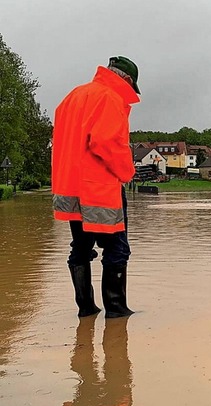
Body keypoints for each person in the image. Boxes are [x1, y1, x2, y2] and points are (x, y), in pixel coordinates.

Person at [51, 56, 141, 318]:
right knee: (117, 249)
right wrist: (127, 172)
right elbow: (106, 143)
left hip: (71, 187)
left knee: (80, 247)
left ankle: (86, 309)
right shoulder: (110, 98)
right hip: (100, 189)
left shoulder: (72, 98)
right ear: (126, 81)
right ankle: (117, 311)